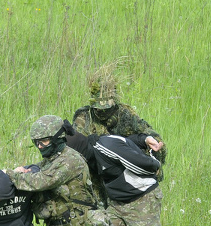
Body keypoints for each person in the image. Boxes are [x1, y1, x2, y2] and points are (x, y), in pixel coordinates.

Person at [63, 127, 172, 226]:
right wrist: (142, 139)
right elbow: (126, 140)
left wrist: (153, 159)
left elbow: (147, 165)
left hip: (142, 200)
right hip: (116, 204)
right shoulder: (93, 152)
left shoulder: (104, 147)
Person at [71, 70, 166, 202]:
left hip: (127, 181)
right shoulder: (84, 117)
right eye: (98, 107)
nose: (101, 111)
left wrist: (148, 140)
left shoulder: (125, 114)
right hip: (96, 178)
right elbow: (77, 147)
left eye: (106, 107)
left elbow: (150, 134)